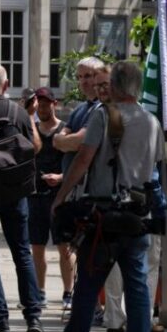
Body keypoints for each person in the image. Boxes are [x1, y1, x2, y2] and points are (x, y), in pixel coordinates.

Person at [44, 61, 162, 332]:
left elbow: (83, 159)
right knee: (136, 284)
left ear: (116, 86)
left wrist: (61, 196)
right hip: (138, 214)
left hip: (104, 214)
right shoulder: (151, 121)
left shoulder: (105, 116)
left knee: (88, 280)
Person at [0, 63, 44, 332]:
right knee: (22, 253)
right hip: (16, 192)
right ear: (5, 85)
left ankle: (0, 318)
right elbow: (36, 146)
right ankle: (33, 318)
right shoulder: (17, 112)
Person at [52, 56, 105, 310]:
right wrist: (66, 139)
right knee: (75, 250)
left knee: (91, 254)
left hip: (91, 191)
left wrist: (67, 140)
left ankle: (96, 307)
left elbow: (77, 143)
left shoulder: (101, 110)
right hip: (76, 193)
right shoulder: (80, 109)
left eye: (89, 76)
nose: (84, 82)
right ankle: (86, 304)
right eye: (80, 77)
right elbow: (58, 139)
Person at [27, 87, 65, 309]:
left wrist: (60, 177)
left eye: (46, 103)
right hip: (36, 195)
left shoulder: (63, 130)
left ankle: (68, 292)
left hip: (59, 195)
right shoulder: (33, 130)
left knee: (63, 246)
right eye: (39, 104)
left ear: (54, 104)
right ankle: (40, 292)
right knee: (37, 247)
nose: (42, 108)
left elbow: (73, 161)